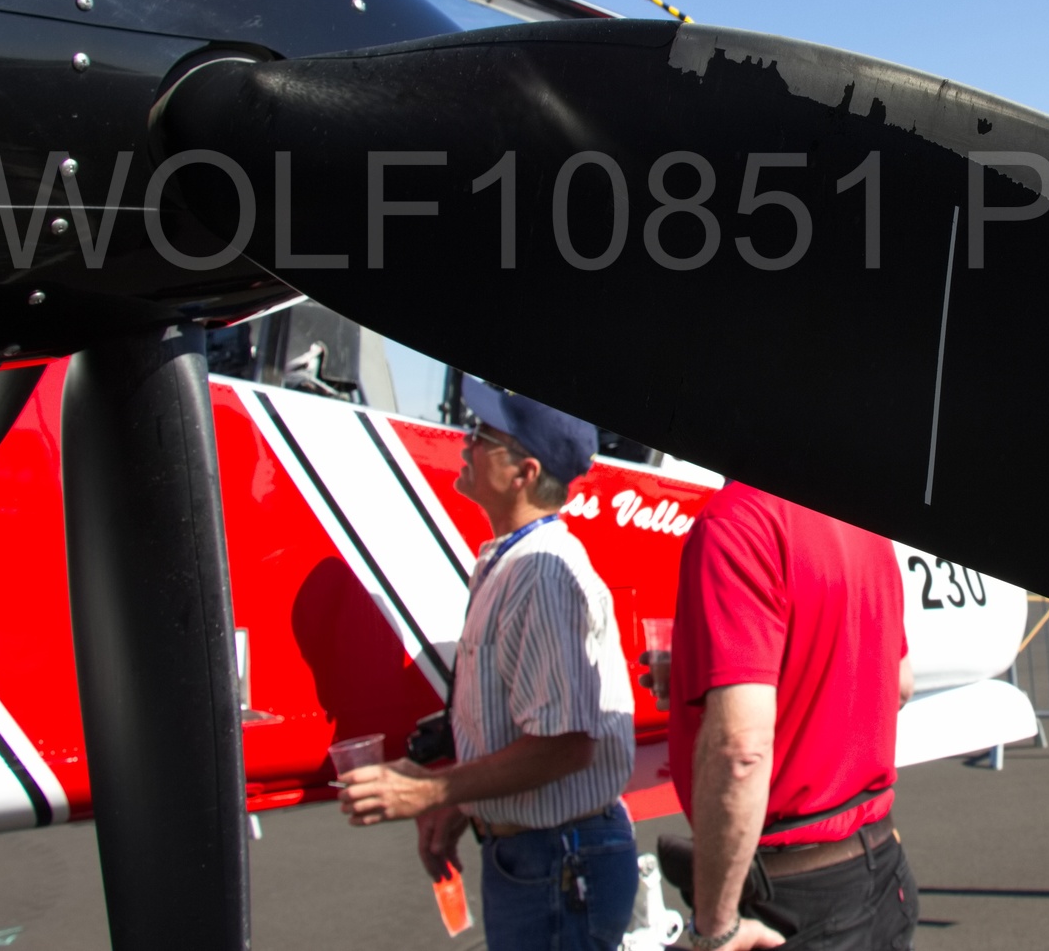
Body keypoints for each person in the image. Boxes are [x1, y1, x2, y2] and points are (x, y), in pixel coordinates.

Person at [340, 378, 638, 951]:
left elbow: (565, 744)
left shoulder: (542, 572)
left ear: (524, 472)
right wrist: (463, 803)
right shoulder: (513, 560)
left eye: (481, 435)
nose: (464, 444)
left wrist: (431, 791)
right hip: (543, 858)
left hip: (557, 863)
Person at [666, 481, 917, 951]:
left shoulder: (737, 521)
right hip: (880, 867)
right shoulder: (861, 520)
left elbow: (740, 749)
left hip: (795, 895)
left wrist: (715, 926)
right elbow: (901, 682)